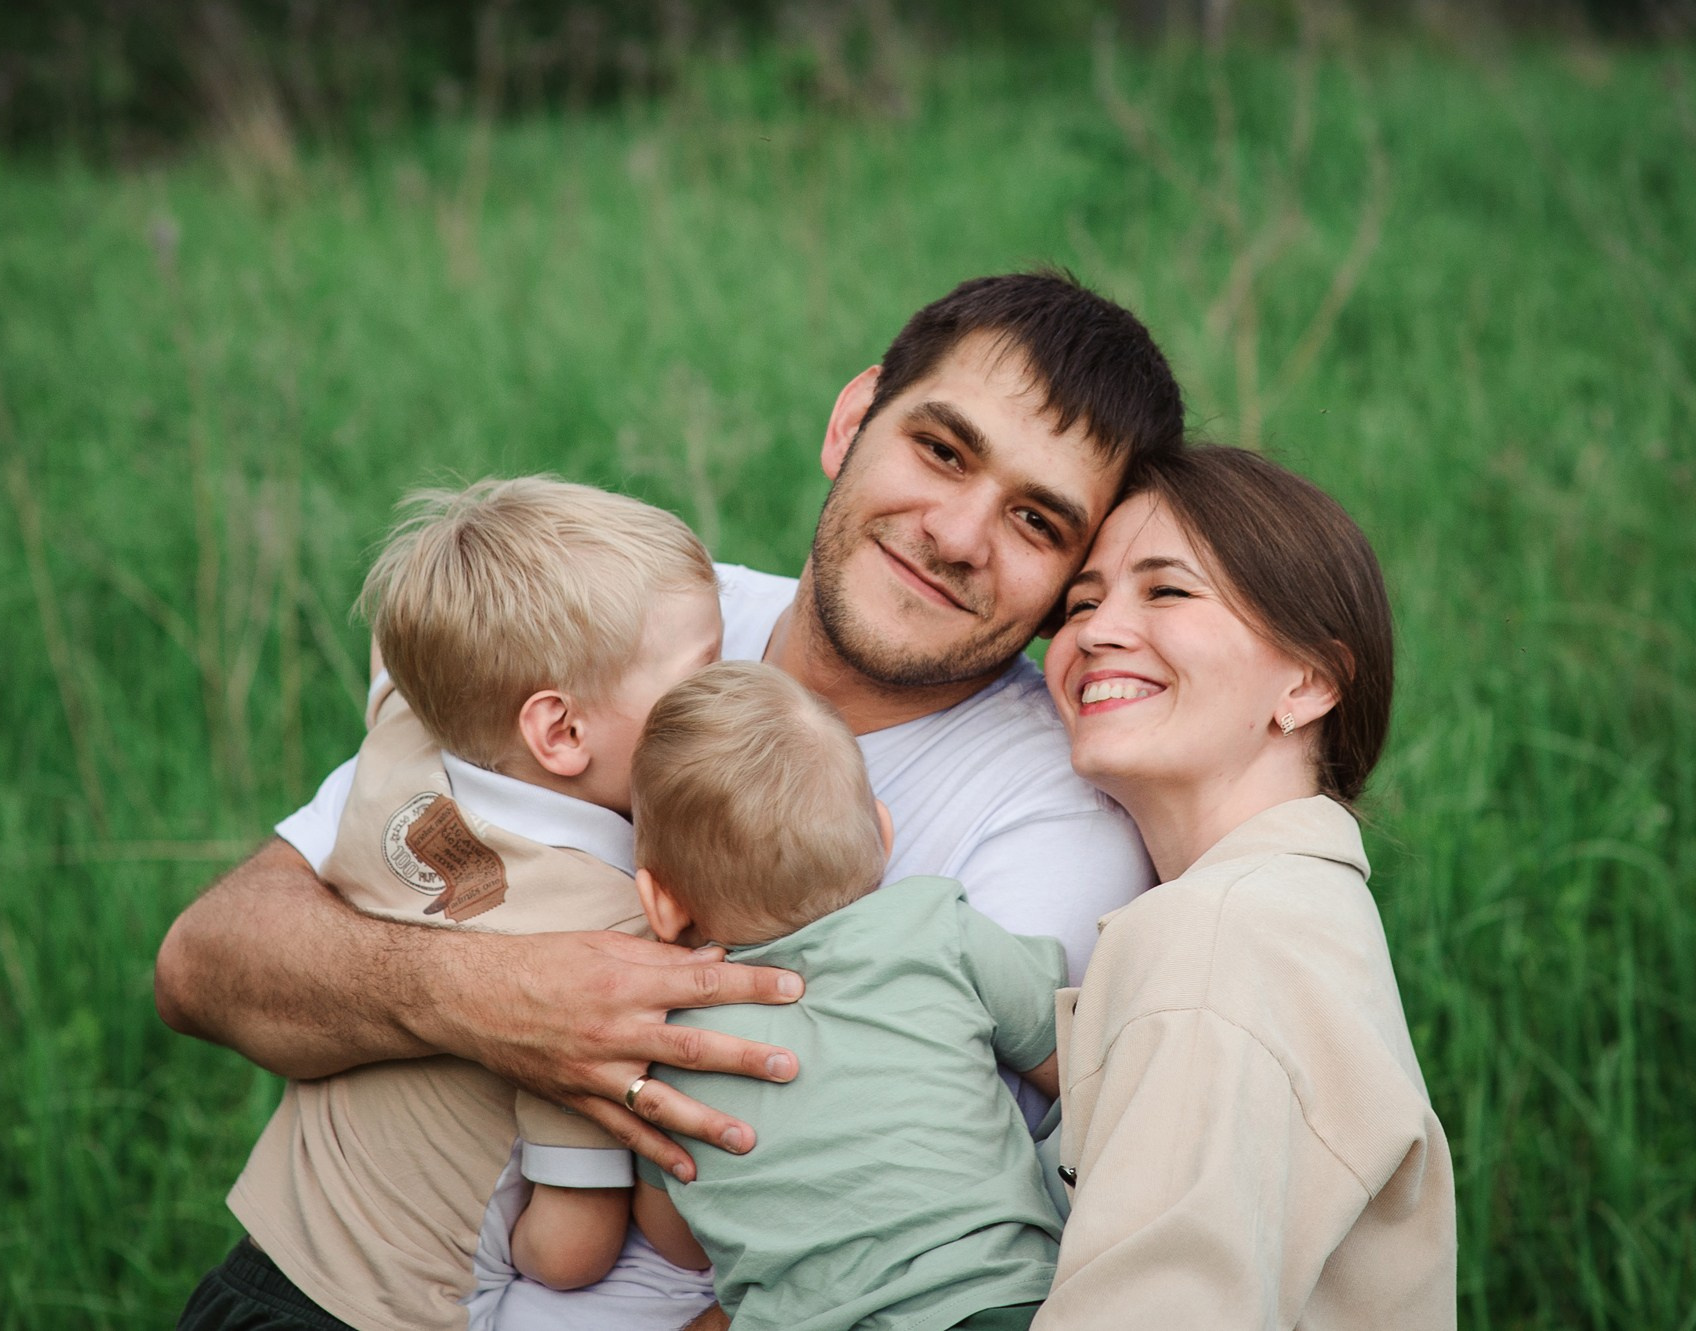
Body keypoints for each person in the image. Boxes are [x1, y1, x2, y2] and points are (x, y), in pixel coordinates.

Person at [155, 271, 1186, 1325]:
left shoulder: (1055, 827)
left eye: (1035, 520)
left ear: (1071, 588)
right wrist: (484, 995)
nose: (959, 533)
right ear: (851, 419)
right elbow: (204, 964)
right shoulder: (639, 611)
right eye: (941, 449)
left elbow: (904, 1270)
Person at [181, 478, 724, 1331]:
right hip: (385, 1313)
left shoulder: (402, 741)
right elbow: (568, 1251)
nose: (729, 694)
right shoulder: (611, 929)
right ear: (561, 732)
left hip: (248, 1274)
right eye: (704, 676)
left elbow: (399, 664)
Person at [1033, 445, 1456, 1328]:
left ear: (1308, 680)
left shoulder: (1216, 936)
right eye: (1081, 602)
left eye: (1167, 590)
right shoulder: (1297, 916)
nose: (1096, 631)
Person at [515, 660, 1068, 1331]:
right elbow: (1075, 1063)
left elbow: (682, 1246)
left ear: (660, 902)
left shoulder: (665, 1045)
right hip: (993, 1297)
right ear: (883, 832)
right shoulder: (939, 928)